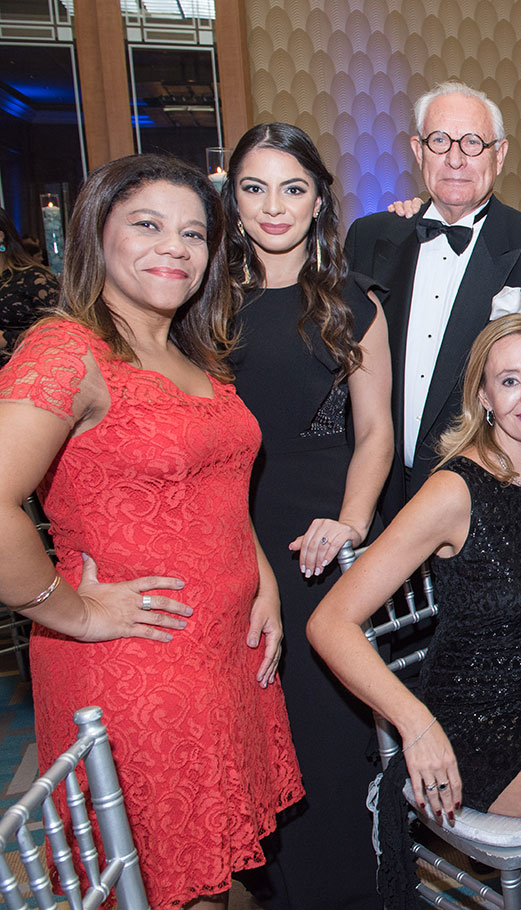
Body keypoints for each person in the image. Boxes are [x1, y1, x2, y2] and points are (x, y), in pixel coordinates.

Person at [0, 154, 301, 909]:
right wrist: (71, 611)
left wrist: (261, 581)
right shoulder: (68, 350)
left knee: (214, 876)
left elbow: (219, 488)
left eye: (194, 234)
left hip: (221, 656)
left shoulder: (191, 349)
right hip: (138, 667)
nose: (175, 247)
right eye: (147, 225)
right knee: (165, 884)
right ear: (96, 234)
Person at [306, 313, 521, 909]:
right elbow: (329, 622)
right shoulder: (454, 492)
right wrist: (416, 725)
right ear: (484, 399)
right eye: (509, 381)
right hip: (477, 714)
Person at [224, 123, 393, 910]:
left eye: (292, 188)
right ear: (232, 200)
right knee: (251, 735)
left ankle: (351, 892)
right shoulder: (202, 305)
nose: (273, 206)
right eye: (254, 188)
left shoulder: (354, 304)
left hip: (320, 545)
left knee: (326, 738)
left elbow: (376, 433)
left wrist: (351, 524)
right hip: (231, 539)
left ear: (319, 199)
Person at [343, 80, 521, 515]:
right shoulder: (370, 239)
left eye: (472, 143)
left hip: (493, 500)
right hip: (380, 500)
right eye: (440, 141)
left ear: (499, 154)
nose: (455, 159)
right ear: (418, 151)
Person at [0, 206, 59, 366]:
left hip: (27, 371)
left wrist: (6, 339)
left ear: (0, 236)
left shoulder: (33, 278)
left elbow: (65, 330)